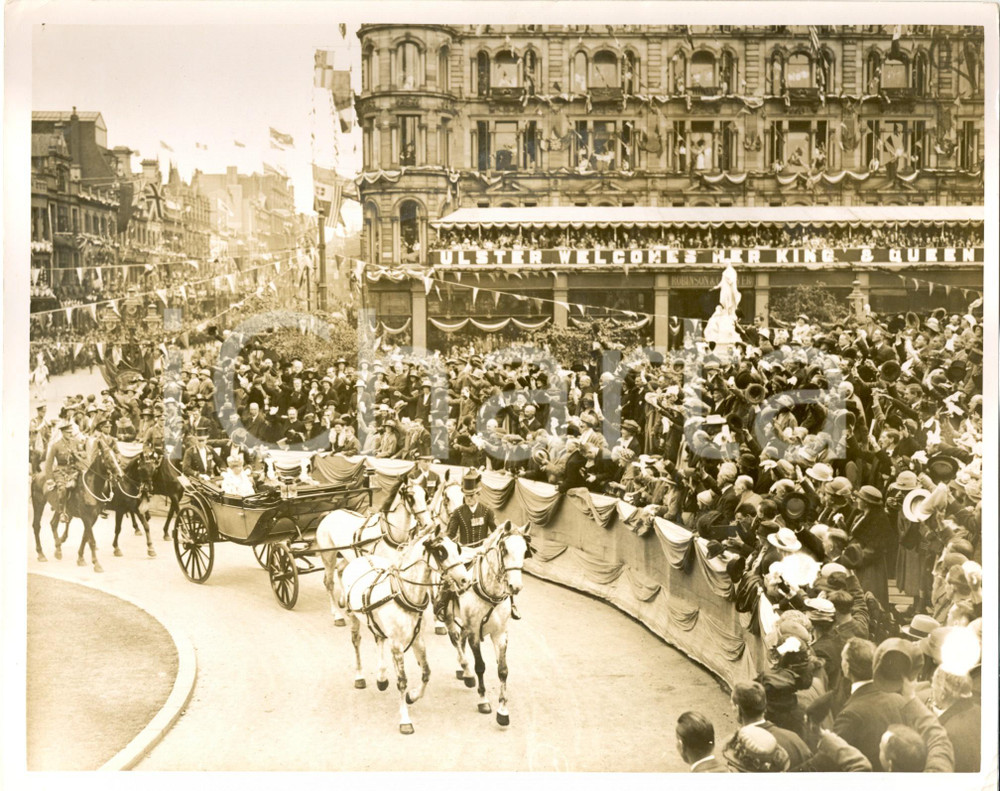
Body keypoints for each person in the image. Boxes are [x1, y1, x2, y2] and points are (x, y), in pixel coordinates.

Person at [438, 469, 520, 621]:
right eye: (466, 495)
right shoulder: (457, 513)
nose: (469, 498)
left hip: (483, 550)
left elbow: (496, 531)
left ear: (478, 494)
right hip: (465, 551)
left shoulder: (487, 511)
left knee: (501, 571)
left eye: (472, 495)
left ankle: (512, 603)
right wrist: (442, 539)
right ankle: (442, 603)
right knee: (450, 575)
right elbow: (450, 535)